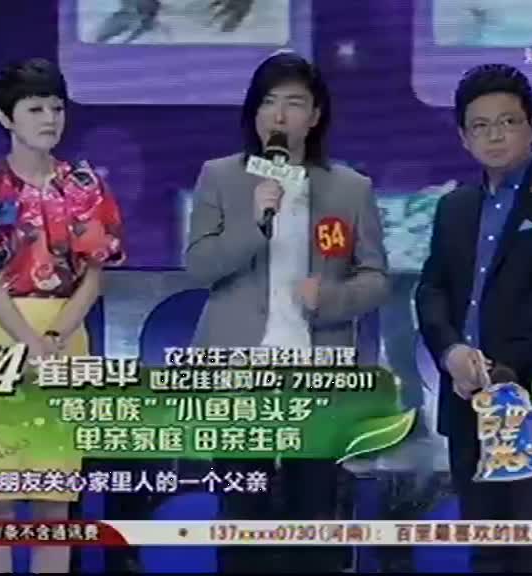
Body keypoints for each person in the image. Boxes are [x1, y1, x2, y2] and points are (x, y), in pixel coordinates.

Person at [184, 50, 389, 572]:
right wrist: (253, 223)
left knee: (313, 515)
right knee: (242, 517)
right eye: (268, 102)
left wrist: (333, 298)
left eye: (294, 103)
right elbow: (200, 266)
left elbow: (376, 278)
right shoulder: (220, 177)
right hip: (238, 371)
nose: (279, 115)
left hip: (317, 371)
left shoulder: (350, 188)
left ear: (314, 116)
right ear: (254, 113)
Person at [0, 58, 126, 574]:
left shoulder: (85, 185)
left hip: (67, 336)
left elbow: (94, 275)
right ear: (6, 117)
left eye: (56, 108)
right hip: (0, 336)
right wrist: (29, 342)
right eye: (35, 109)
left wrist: (56, 335)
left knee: (54, 505)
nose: (49, 119)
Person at [415, 63, 532, 573]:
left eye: (508, 122)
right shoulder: (455, 206)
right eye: (480, 126)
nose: (494, 136)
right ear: (463, 137)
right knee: (488, 551)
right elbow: (431, 289)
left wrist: (491, 370)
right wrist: (452, 354)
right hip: (466, 402)